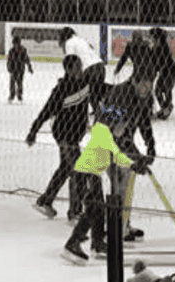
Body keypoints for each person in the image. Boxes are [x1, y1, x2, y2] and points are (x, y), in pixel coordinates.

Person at [63, 72, 156, 263]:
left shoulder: (110, 132)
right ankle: (72, 244)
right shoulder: (107, 130)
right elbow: (120, 148)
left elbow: (123, 142)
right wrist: (135, 162)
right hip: (88, 169)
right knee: (95, 208)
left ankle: (98, 243)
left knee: (98, 206)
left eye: (150, 85)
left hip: (94, 168)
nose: (147, 89)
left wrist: (140, 157)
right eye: (144, 84)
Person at [27, 54, 89, 221]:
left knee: (65, 168)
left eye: (81, 66)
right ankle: (75, 210)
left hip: (75, 135)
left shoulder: (84, 84)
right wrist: (34, 130)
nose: (80, 70)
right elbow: (46, 111)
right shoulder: (62, 89)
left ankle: (45, 200)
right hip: (64, 134)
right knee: (78, 169)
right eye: (77, 67)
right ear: (68, 70)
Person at [59, 27, 106, 114]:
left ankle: (97, 113)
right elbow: (91, 47)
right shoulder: (81, 40)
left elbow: (70, 60)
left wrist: (67, 77)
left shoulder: (69, 43)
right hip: (101, 66)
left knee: (86, 92)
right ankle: (99, 110)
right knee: (97, 91)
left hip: (90, 69)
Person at [149, 27, 175, 120]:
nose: (151, 38)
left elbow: (160, 62)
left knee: (166, 89)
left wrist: (155, 70)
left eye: (152, 37)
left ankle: (167, 107)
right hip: (163, 71)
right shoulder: (154, 47)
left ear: (157, 38)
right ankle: (165, 107)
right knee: (158, 90)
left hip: (170, 71)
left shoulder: (163, 48)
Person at [6, 35, 34, 103]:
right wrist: (9, 68)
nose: (16, 46)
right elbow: (9, 61)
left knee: (19, 82)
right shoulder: (11, 51)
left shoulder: (23, 50)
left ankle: (19, 95)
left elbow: (27, 59)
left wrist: (29, 67)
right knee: (12, 82)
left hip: (20, 69)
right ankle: (12, 95)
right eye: (15, 44)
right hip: (13, 69)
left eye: (17, 44)